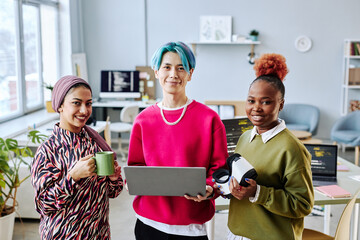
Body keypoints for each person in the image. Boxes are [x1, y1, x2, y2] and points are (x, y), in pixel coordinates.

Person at [127, 41, 228, 240]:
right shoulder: (143, 120)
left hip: (191, 227)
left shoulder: (209, 119)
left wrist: (209, 188)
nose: (173, 74)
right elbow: (136, 167)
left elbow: (220, 171)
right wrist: (132, 182)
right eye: (167, 67)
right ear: (156, 71)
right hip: (148, 223)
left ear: (190, 74)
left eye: (181, 68)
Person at [218, 53, 314, 240]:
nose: (256, 108)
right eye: (251, 100)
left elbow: (303, 204)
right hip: (237, 232)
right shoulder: (245, 138)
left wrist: (258, 192)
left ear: (281, 104)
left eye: (266, 102)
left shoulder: (292, 149)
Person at [31, 76, 123, 239]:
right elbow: (43, 204)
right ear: (60, 105)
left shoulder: (96, 144)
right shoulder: (47, 151)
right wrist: (72, 177)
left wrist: (114, 178)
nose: (84, 110)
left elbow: (113, 192)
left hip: (98, 235)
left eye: (88, 103)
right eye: (76, 103)